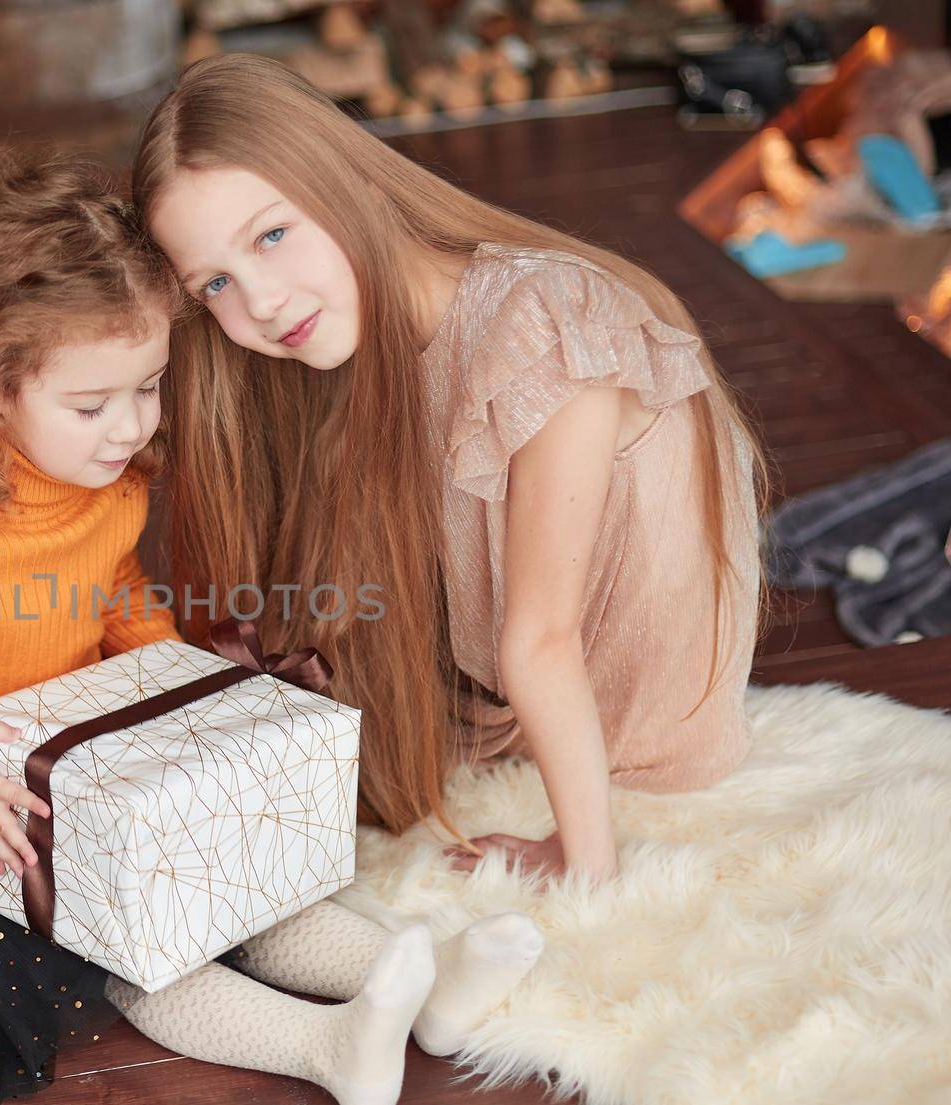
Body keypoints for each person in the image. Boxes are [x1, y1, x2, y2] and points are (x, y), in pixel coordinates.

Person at [0, 146, 542, 1105]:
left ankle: (426, 980)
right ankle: (321, 1045)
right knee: (145, 945)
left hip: (91, 760)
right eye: (92, 404)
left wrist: (161, 670)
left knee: (239, 881)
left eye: (147, 387)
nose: (129, 427)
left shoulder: (112, 488)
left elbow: (113, 591)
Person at [133, 54, 769, 883]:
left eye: (274, 235)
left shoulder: (543, 320)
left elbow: (539, 640)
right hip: (497, 700)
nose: (261, 301)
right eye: (216, 280)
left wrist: (583, 863)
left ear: (350, 183)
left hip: (630, 727)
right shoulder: (367, 340)